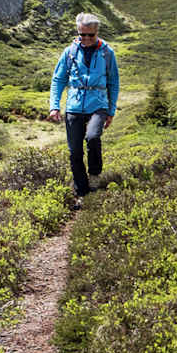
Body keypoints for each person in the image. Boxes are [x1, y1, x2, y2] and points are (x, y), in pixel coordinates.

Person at [47, 13, 119, 208]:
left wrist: (111, 111)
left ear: (97, 33)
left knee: (93, 137)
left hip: (98, 104)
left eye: (90, 35)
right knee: (74, 152)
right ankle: (82, 192)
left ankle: (94, 175)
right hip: (74, 106)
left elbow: (113, 82)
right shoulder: (69, 52)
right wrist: (54, 106)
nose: (86, 39)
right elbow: (58, 80)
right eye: (82, 35)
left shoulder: (107, 53)